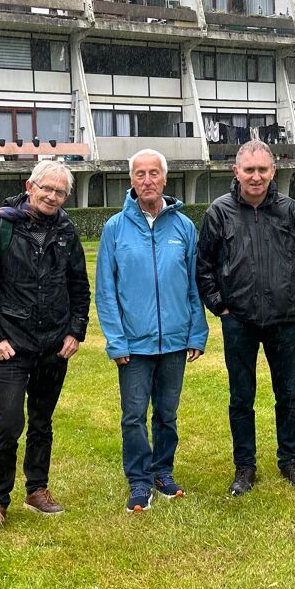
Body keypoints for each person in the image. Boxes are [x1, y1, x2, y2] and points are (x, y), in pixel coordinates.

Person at [0, 160, 90, 538]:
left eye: (60, 192)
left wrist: (75, 332)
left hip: (54, 345)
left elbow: (79, 288)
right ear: (30, 186)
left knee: (42, 421)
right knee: (8, 424)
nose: (52, 196)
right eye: (46, 189)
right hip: (12, 347)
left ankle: (36, 489)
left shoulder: (67, 232)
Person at [96, 149, 209, 513]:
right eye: (140, 174)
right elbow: (105, 291)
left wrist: (196, 332)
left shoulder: (184, 227)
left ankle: (163, 472)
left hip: (175, 341)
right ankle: (139, 480)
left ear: (165, 178)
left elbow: (194, 284)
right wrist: (116, 339)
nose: (147, 180)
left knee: (167, 414)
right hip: (134, 343)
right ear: (131, 181)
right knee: (133, 416)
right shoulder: (115, 228)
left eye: (154, 173)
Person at [196, 140, 295, 496]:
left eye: (263, 169)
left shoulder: (289, 210)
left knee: (288, 394)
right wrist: (222, 306)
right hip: (239, 321)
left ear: (273, 171)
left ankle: (290, 459)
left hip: (284, 319)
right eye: (249, 170)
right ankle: (245, 466)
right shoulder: (219, 212)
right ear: (236, 172)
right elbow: (204, 266)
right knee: (241, 397)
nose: (256, 177)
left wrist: (284, 292)